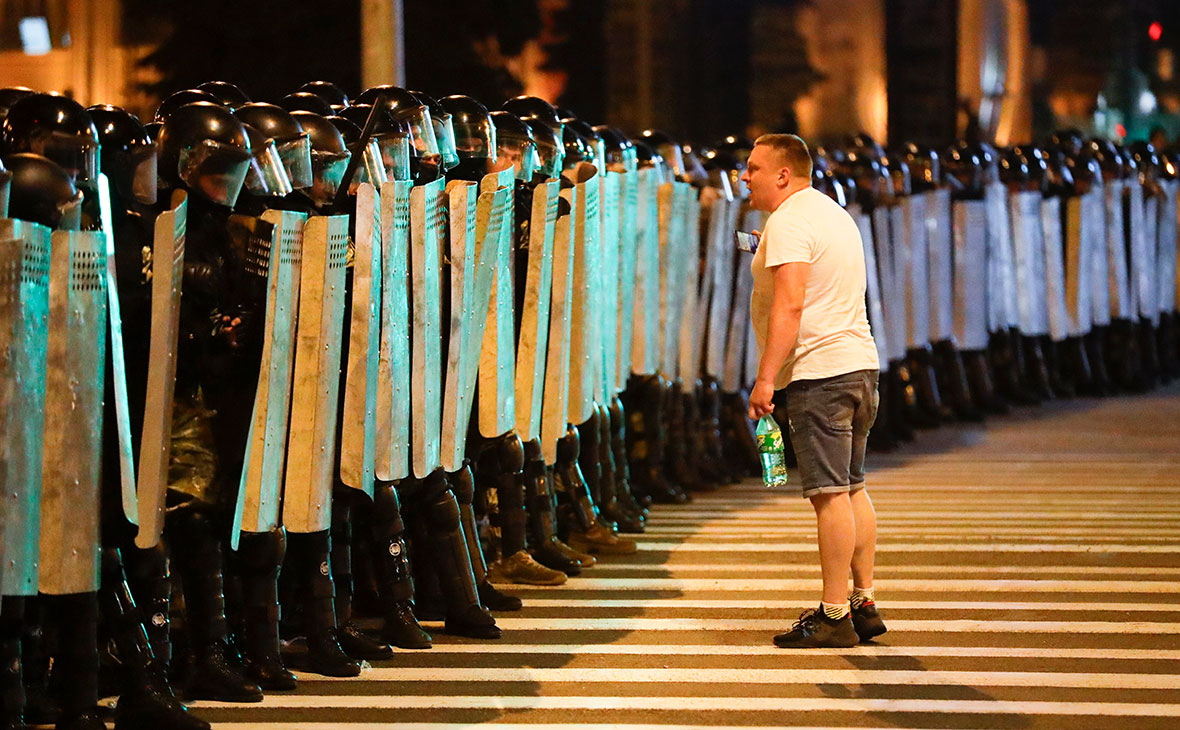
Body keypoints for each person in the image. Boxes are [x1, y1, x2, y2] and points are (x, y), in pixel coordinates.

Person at [741, 133, 885, 649]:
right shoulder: (831, 212)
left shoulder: (789, 220)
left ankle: (833, 613)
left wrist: (764, 379)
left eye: (753, 168)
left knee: (828, 498)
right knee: (852, 488)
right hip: (860, 367)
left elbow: (791, 305)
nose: (743, 177)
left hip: (818, 374)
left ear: (783, 174)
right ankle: (863, 601)